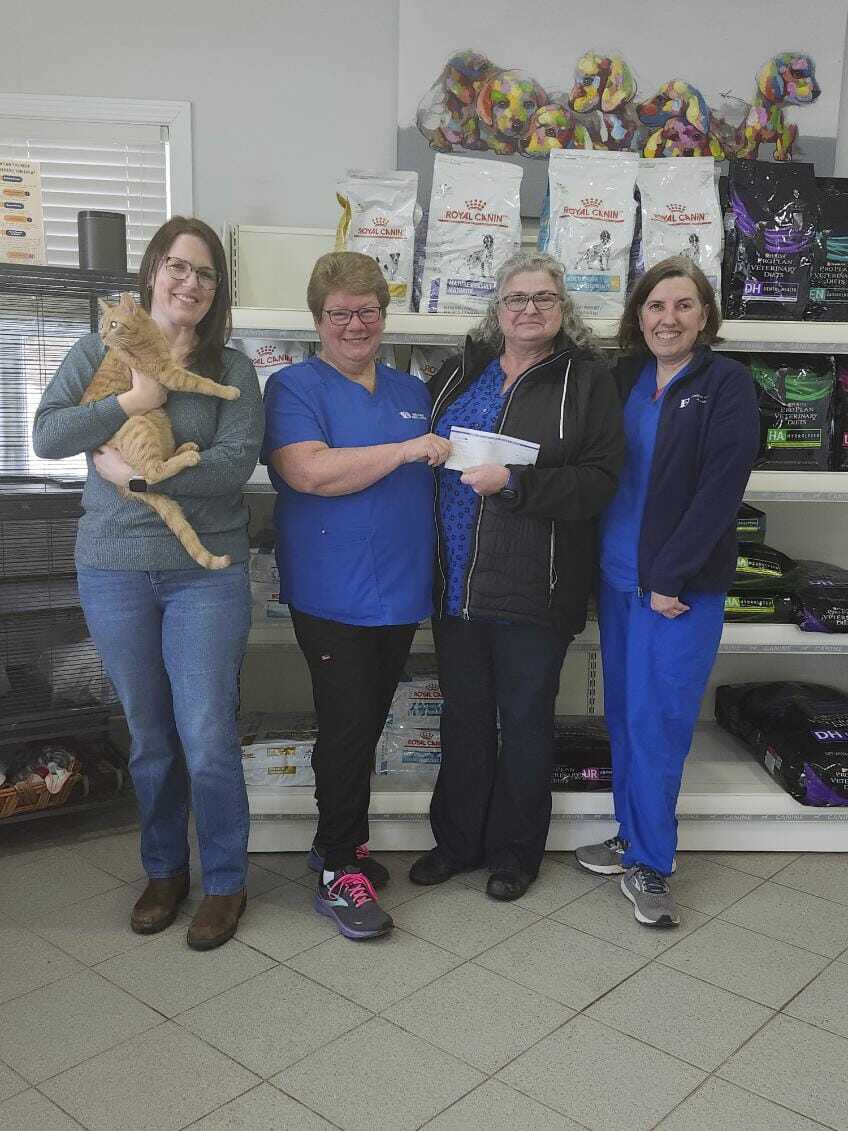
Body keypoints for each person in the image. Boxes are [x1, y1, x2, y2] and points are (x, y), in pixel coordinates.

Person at [33, 216, 264, 950]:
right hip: (114, 568)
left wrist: (134, 474)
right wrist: (127, 405)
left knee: (205, 732)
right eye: (177, 266)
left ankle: (225, 880)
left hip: (204, 574)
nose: (189, 281)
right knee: (149, 736)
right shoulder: (97, 347)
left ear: (216, 289)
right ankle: (165, 869)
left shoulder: (233, 371)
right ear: (152, 273)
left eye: (204, 272)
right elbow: (47, 435)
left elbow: (233, 469)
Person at [409, 251, 624, 901]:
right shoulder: (464, 368)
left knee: (525, 720)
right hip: (456, 580)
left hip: (536, 582)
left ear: (564, 310)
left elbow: (600, 480)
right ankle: (457, 841)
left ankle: (514, 852)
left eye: (543, 298)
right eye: (516, 299)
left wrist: (515, 484)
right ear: (497, 308)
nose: (528, 309)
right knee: (464, 716)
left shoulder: (586, 379)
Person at [263, 251, 450, 940]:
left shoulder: (412, 391)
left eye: (367, 311)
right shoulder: (293, 388)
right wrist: (404, 450)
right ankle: (338, 865)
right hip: (332, 592)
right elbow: (309, 471)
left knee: (366, 721)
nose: (354, 324)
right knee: (345, 727)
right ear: (318, 320)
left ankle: (339, 842)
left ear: (383, 315)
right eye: (339, 312)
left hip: (400, 590)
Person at [575, 257, 759, 928]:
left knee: (660, 725)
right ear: (639, 316)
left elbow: (720, 492)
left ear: (704, 316)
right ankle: (629, 835)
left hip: (675, 591)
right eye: (656, 306)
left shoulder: (726, 384)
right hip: (619, 576)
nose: (669, 318)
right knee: (624, 716)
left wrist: (670, 578)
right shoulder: (625, 377)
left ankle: (653, 863)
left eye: (684, 305)